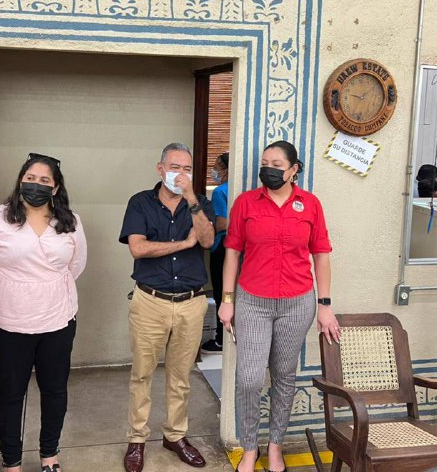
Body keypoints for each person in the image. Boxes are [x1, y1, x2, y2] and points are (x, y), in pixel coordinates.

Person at [218, 141, 339, 472]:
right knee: (249, 379)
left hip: (297, 304)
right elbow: (232, 253)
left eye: (276, 164)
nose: (268, 170)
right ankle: (249, 447)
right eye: (264, 163)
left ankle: (275, 445)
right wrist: (227, 300)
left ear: (293, 169)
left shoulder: (310, 204)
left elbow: (321, 255)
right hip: (252, 302)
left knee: (284, 376)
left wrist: (325, 305)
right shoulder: (246, 203)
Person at [0, 153, 87, 472]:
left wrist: (46, 288)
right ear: (21, 181)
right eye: (30, 178)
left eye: (44, 180)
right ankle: (11, 461)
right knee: (10, 394)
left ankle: (49, 455)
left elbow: (76, 265)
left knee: (55, 390)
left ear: (56, 188)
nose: (36, 184)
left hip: (58, 321)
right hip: (9, 324)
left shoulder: (70, 221)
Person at [119, 143, 216, 472]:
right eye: (175, 167)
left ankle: (175, 435)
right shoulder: (140, 202)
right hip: (150, 301)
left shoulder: (200, 203)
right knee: (142, 374)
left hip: (191, 302)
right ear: (160, 169)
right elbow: (138, 248)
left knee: (181, 377)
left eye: (187, 169)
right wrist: (183, 244)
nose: (181, 174)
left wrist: (191, 199)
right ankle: (137, 439)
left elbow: (207, 240)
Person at [201, 152, 229, 353]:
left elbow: (222, 223)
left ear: (225, 170)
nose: (214, 171)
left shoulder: (220, 192)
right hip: (239, 248)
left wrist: (206, 232)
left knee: (221, 292)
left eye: (217, 167)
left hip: (222, 246)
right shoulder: (242, 189)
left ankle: (220, 339)